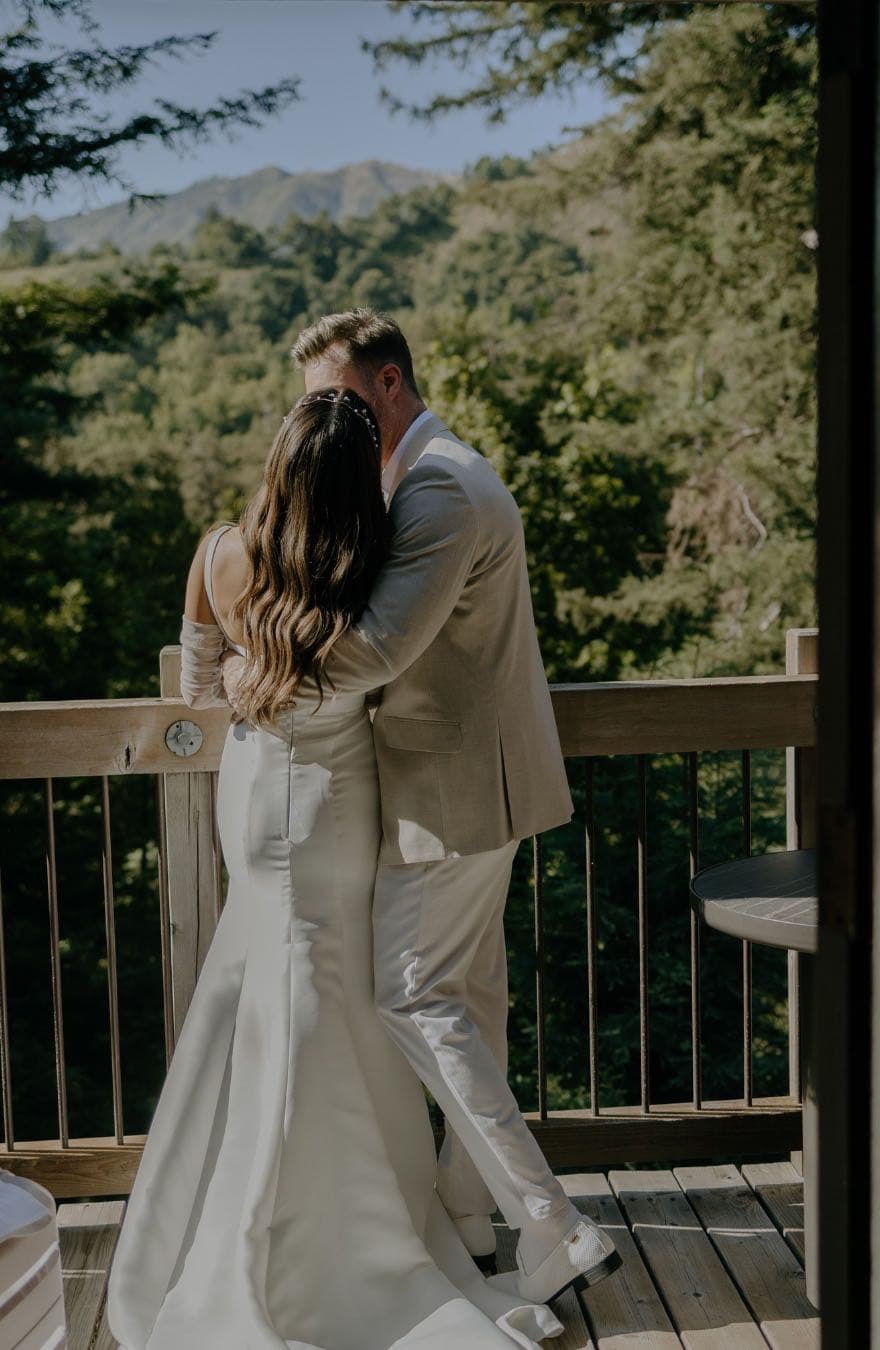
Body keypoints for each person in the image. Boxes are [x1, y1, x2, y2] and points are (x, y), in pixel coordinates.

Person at [106, 387, 566, 1350]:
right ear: (361, 481)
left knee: (262, 965)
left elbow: (197, 688)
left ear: (277, 463)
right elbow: (384, 666)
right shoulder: (365, 568)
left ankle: (228, 1217)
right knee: (342, 978)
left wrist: (242, 676)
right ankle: (361, 1212)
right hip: (341, 799)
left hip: (251, 788)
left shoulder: (219, 552)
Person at [261, 309, 622, 1305]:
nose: (320, 418)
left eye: (334, 396)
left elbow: (377, 652)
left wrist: (262, 657)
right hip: (469, 784)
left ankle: (555, 1225)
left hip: (449, 791)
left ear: (387, 384)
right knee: (467, 1001)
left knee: (411, 995)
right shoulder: (425, 474)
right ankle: (471, 1212)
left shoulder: (441, 488)